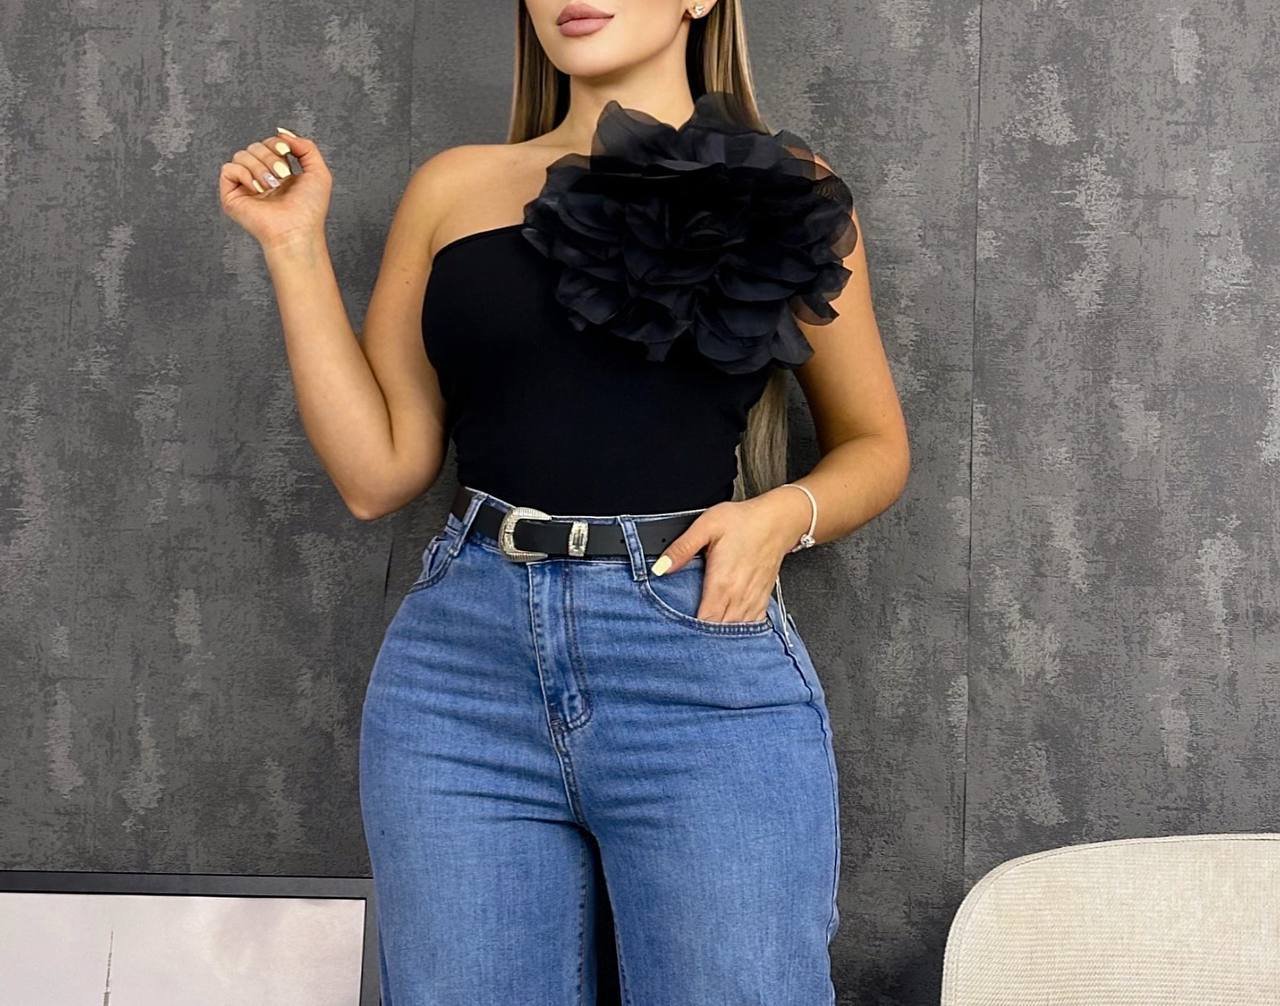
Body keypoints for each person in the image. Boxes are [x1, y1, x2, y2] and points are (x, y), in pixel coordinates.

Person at [218, 1, 908, 1001]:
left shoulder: (787, 187)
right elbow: (379, 475)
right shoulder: (452, 188)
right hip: (459, 675)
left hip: (694, 655)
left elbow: (876, 446)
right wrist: (292, 245)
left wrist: (779, 515)